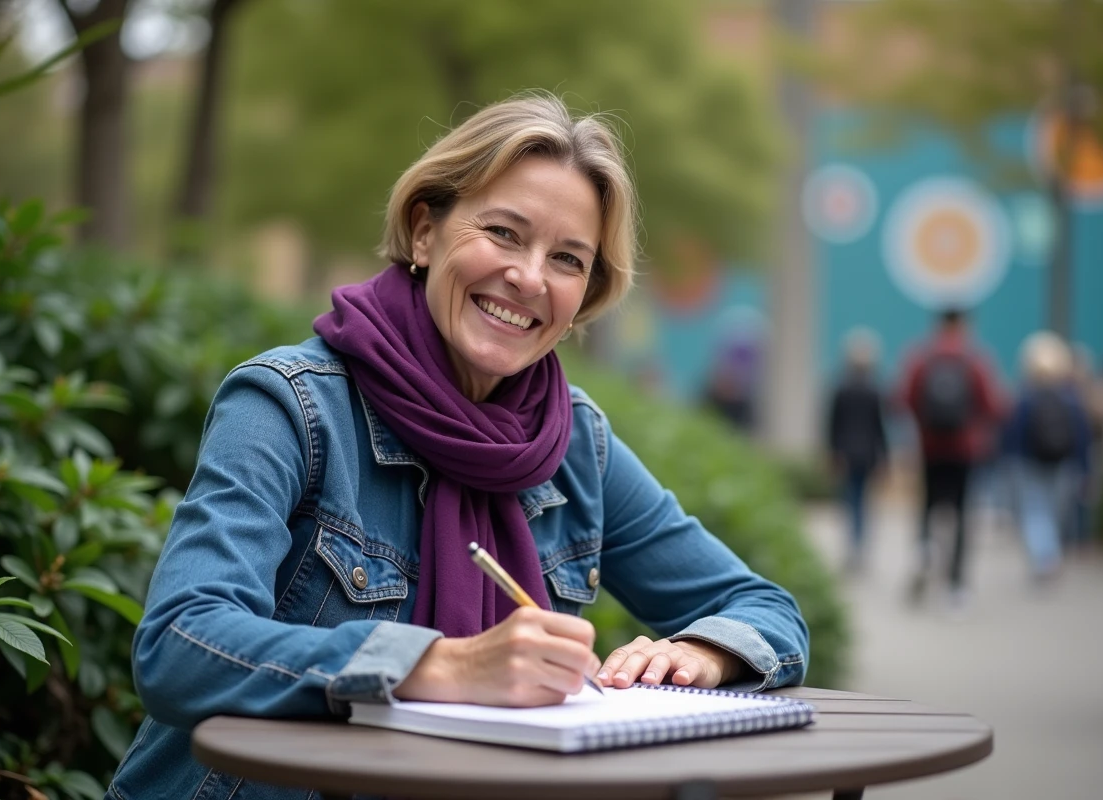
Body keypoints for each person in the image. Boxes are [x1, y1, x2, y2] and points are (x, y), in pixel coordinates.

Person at [104, 94, 810, 800]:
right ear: (423, 232)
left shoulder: (576, 443)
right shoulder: (289, 405)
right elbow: (181, 645)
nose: (530, 277)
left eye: (567, 258)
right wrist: (441, 667)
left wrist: (697, 656)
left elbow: (765, 609)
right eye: (504, 233)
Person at [896, 308, 1007, 606]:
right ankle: (956, 586)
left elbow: (902, 399)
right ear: (963, 325)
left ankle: (925, 548)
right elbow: (994, 407)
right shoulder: (975, 359)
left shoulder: (921, 356)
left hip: (930, 448)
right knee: (960, 515)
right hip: (965, 450)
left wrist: (922, 425)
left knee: (928, 505)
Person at [1002, 332, 1091, 582]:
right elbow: (1082, 436)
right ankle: (1050, 553)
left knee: (1034, 512)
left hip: (1028, 463)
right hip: (1064, 462)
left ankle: (1045, 556)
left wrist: (1008, 462)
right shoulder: (1071, 398)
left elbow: (1012, 433)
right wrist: (1084, 468)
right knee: (1053, 512)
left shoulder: (1024, 396)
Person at [826, 328, 890, 572]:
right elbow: (880, 427)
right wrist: (885, 457)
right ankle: (860, 545)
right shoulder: (874, 390)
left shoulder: (840, 388)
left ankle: (853, 546)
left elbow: (832, 424)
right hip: (868, 454)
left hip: (846, 453)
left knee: (851, 500)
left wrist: (832, 452)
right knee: (864, 502)